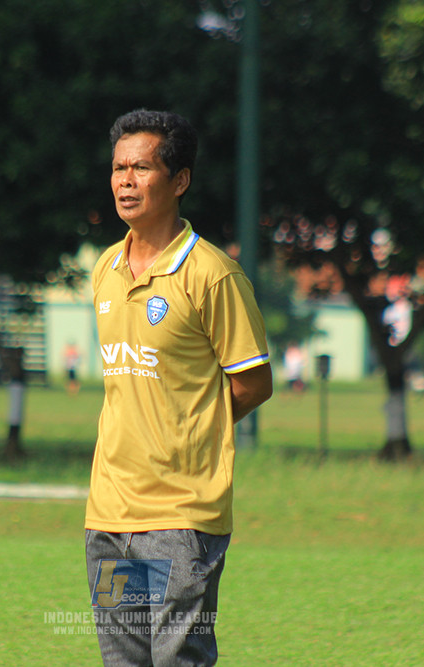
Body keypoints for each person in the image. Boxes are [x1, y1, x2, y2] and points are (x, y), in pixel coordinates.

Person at [85, 109, 273, 666]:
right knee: (124, 662)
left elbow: (254, 383)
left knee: (178, 662)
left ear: (180, 180)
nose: (124, 180)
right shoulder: (104, 270)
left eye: (141, 167)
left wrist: (188, 430)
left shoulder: (213, 275)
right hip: (109, 514)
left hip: (181, 516)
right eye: (118, 167)